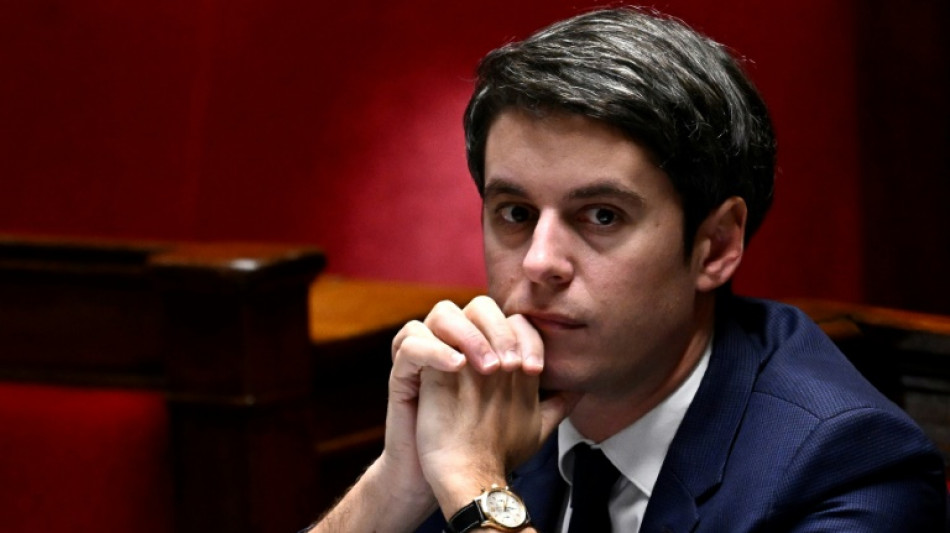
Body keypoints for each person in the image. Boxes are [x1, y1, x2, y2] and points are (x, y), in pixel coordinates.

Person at [307, 7, 946, 532]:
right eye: (516, 213)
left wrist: (478, 492)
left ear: (716, 245)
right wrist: (400, 482)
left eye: (602, 216)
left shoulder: (847, 466)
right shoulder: (480, 408)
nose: (539, 262)